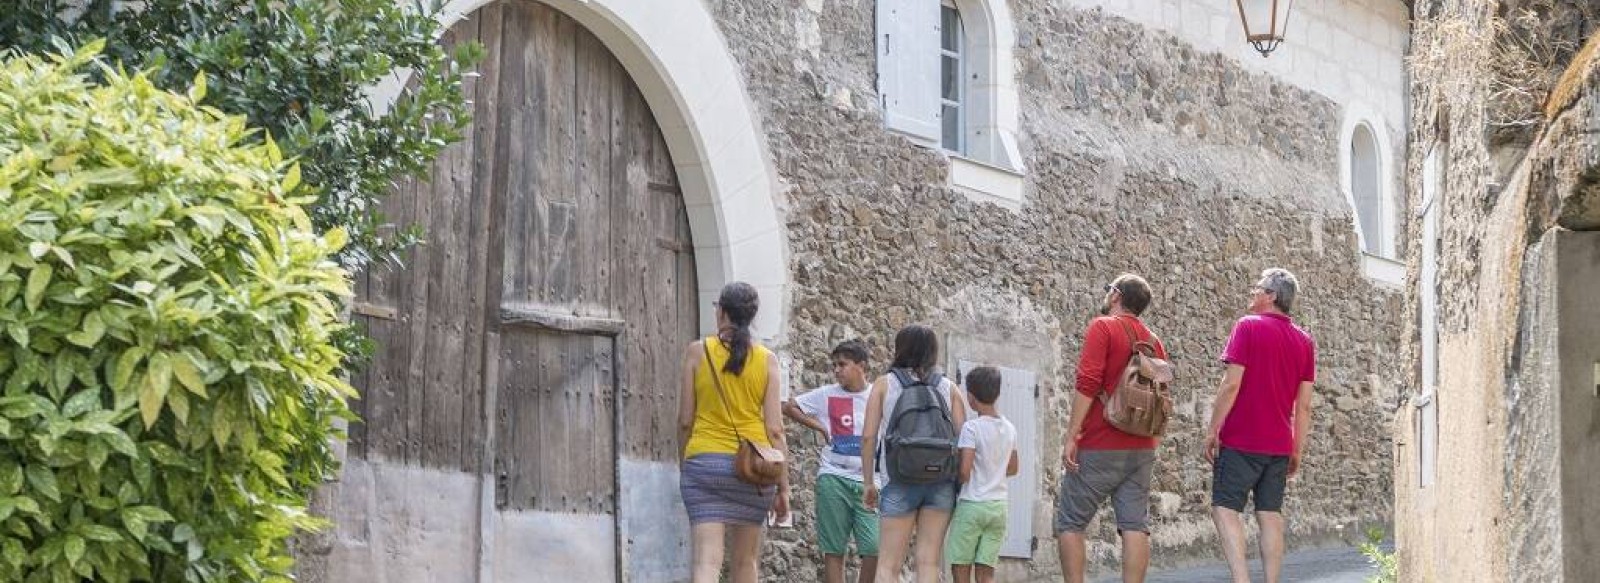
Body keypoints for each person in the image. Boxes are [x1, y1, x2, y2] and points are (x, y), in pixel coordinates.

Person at [1204, 268, 1316, 583]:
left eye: (1256, 288)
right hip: (1279, 445)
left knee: (1225, 509)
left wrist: (1212, 430)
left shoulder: (1247, 326)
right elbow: (1304, 405)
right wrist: (1297, 449)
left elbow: (1230, 385)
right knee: (1270, 514)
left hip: (1242, 438)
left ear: (1271, 296)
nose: (1252, 293)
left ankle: (1241, 580)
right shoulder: (1304, 341)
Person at [1056, 274, 1168, 583]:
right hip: (1141, 446)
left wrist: (1072, 435)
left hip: (1099, 441)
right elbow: (1162, 396)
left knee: (1071, 523)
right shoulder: (1154, 341)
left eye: (1109, 290)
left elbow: (1088, 382)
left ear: (1116, 295)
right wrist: (1153, 441)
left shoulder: (1102, 326)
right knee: (1134, 524)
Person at [677, 282, 790, 583]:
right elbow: (775, 429)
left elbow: (685, 420)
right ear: (751, 316)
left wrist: (685, 461)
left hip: (704, 462)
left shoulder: (697, 352)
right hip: (752, 469)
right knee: (745, 562)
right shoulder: (767, 360)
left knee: (706, 562)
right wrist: (784, 486)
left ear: (722, 312)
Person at [860, 324, 967, 583]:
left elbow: (868, 437)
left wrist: (868, 483)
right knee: (929, 562)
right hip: (940, 482)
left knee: (888, 565)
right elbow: (963, 439)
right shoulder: (949, 388)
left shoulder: (884, 384)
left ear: (900, 349)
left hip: (899, 480)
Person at [783, 340, 881, 583]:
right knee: (833, 548)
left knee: (873, 548)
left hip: (869, 479)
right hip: (833, 476)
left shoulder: (877, 395)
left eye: (842, 365)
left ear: (862, 366)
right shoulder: (826, 394)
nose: (836, 370)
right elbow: (789, 406)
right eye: (834, 365)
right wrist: (818, 426)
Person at [945, 366, 1019, 583]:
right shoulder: (1010, 428)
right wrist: (993, 470)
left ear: (970, 397)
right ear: (997, 394)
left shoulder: (971, 428)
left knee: (961, 567)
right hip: (998, 507)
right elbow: (1014, 468)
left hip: (972, 505)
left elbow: (965, 472)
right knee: (986, 572)